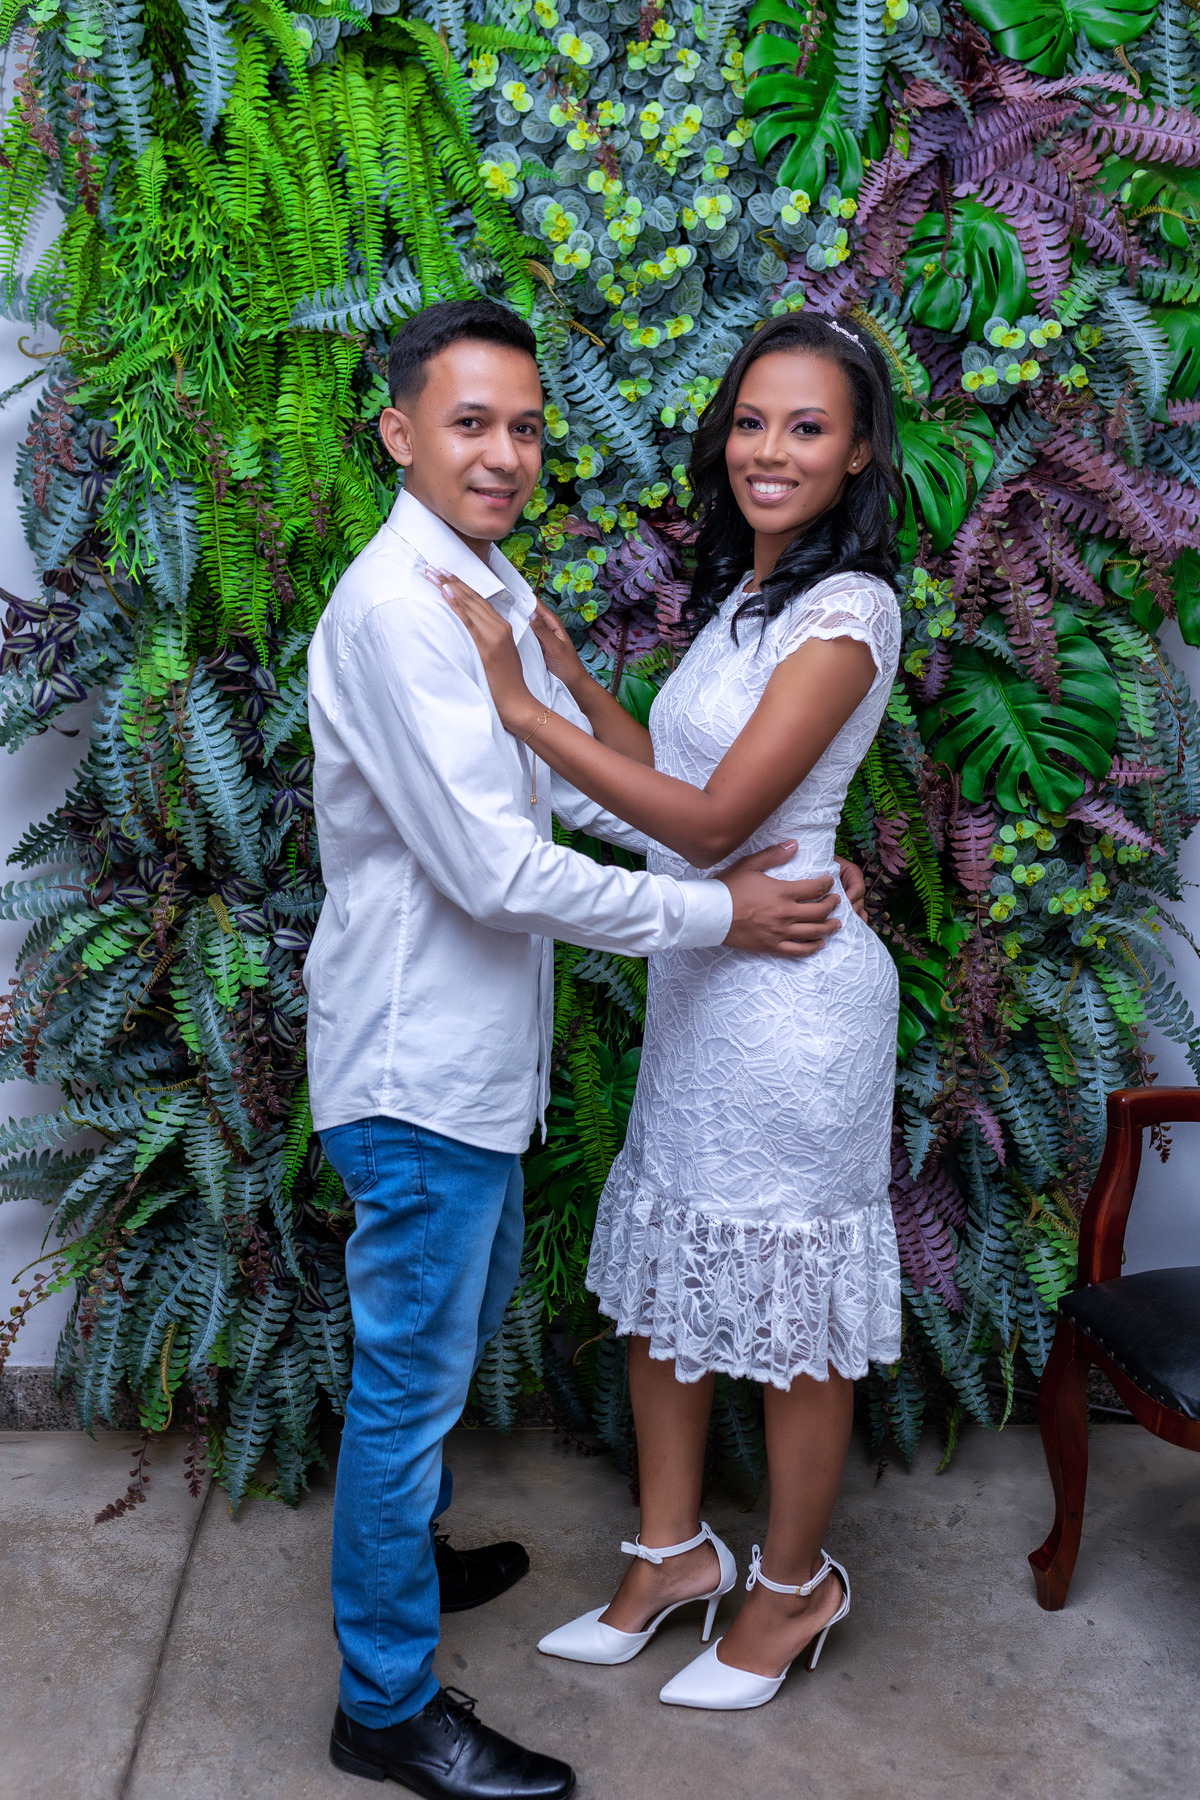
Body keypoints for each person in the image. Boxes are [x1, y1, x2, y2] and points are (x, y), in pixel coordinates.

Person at [304, 298, 868, 1796]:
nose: (504, 454)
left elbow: (584, 785)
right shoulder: (400, 611)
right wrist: (722, 914)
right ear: (400, 433)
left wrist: (765, 865)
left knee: (446, 1337)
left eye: (526, 427)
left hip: (478, 1065)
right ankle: (384, 1703)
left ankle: (400, 1562)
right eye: (470, 424)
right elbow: (498, 870)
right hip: (417, 1070)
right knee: (408, 1386)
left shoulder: (480, 581)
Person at [438, 310, 905, 1715]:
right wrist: (579, 684)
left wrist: (526, 712)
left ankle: (793, 1587)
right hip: (710, 980)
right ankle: (668, 1558)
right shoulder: (753, 599)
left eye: (807, 427)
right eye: (752, 421)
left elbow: (706, 826)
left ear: (858, 453)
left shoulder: (848, 613)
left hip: (798, 1003)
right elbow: (685, 799)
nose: (770, 450)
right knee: (668, 1285)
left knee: (788, 1310)